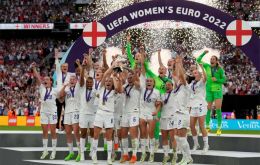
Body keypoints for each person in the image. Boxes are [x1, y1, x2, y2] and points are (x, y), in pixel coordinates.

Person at [91, 63, 123, 165]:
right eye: (107, 81)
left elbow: (118, 89)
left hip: (109, 114)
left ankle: (109, 157)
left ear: (112, 83)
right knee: (96, 135)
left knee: (109, 137)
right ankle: (94, 155)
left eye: (110, 81)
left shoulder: (114, 91)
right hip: (100, 113)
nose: (108, 82)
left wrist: (113, 77)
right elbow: (105, 75)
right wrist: (112, 66)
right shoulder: (101, 88)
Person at [32, 62, 59, 160]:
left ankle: (54, 151)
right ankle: (45, 150)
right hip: (43, 112)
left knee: (53, 132)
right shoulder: (42, 88)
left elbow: (61, 98)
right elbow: (38, 78)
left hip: (52, 113)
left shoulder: (55, 90)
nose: (45, 80)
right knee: (44, 131)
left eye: (47, 79)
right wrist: (34, 69)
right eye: (44, 79)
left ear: (51, 81)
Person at [196, 51, 226, 135]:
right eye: (211, 59)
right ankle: (208, 126)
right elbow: (198, 60)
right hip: (209, 90)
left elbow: (224, 80)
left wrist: (217, 80)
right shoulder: (207, 66)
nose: (211, 60)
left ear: (216, 61)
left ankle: (219, 128)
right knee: (208, 109)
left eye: (213, 59)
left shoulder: (220, 69)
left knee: (218, 109)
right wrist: (203, 53)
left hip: (217, 91)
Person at [139, 54, 162, 163]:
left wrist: (156, 112)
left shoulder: (157, 92)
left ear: (153, 83)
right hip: (142, 114)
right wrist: (142, 58)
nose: (148, 82)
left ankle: (152, 154)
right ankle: (144, 154)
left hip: (151, 114)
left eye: (150, 81)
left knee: (151, 134)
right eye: (147, 81)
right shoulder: (142, 88)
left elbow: (159, 105)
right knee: (143, 134)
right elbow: (143, 70)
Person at [173, 56, 193, 165]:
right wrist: (176, 65)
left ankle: (188, 157)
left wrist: (179, 63)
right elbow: (175, 75)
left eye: (184, 77)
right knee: (177, 137)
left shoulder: (187, 87)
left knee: (181, 137)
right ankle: (184, 157)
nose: (180, 78)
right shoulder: (178, 87)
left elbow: (180, 75)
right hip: (177, 114)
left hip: (183, 114)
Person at [120, 70, 141, 164]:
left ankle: (134, 155)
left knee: (133, 134)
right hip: (125, 112)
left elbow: (136, 79)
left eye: (131, 77)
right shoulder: (125, 86)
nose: (129, 79)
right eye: (128, 78)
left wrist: (133, 72)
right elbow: (119, 90)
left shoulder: (138, 86)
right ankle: (125, 154)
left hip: (134, 112)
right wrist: (119, 78)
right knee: (123, 134)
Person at [78, 60, 97, 161]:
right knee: (83, 133)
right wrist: (83, 68)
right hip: (83, 114)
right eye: (88, 82)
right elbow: (81, 79)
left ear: (93, 83)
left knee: (93, 134)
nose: (89, 83)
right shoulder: (82, 88)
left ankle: (93, 153)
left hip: (93, 115)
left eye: (91, 82)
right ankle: (81, 153)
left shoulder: (95, 91)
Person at [60, 74, 81, 162]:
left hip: (76, 111)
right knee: (68, 132)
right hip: (67, 112)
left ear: (76, 81)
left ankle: (80, 152)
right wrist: (65, 85)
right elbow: (60, 96)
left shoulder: (79, 87)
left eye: (74, 79)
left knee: (76, 132)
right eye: (70, 79)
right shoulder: (67, 89)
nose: (72, 80)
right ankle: (71, 152)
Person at [189, 64, 209, 154]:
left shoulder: (202, 82)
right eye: (194, 73)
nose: (194, 74)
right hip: (193, 106)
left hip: (201, 105)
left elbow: (205, 77)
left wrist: (202, 67)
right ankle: (196, 144)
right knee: (192, 126)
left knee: (201, 126)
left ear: (200, 74)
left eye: (196, 72)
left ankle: (206, 145)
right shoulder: (192, 83)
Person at [54, 49, 73, 131]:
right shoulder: (58, 73)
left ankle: (64, 126)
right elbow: (57, 64)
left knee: (67, 111)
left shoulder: (70, 75)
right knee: (58, 111)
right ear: (61, 68)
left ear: (68, 68)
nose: (65, 68)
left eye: (66, 67)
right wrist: (56, 57)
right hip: (58, 95)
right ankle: (57, 127)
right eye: (63, 67)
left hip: (66, 95)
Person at [160, 81, 178, 165]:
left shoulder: (174, 93)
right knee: (164, 138)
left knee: (172, 138)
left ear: (172, 86)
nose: (167, 86)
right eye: (166, 85)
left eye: (169, 85)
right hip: (163, 117)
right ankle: (166, 155)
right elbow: (160, 106)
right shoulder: (162, 95)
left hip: (172, 117)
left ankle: (175, 155)